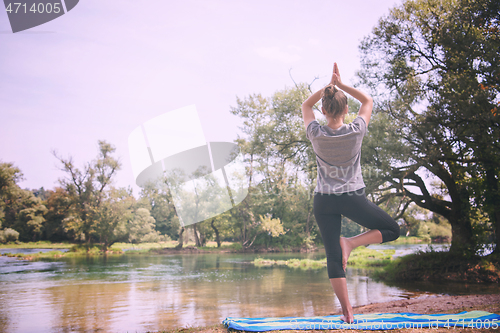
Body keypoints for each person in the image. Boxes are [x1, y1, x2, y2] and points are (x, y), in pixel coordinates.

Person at [301, 62, 400, 324]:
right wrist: (340, 85)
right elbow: (367, 100)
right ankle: (352, 243)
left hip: (323, 200)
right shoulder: (356, 131)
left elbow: (305, 107)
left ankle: (347, 313)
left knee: (333, 256)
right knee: (393, 230)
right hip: (352, 197)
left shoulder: (316, 134)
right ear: (347, 110)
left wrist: (327, 87)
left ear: (323, 111)